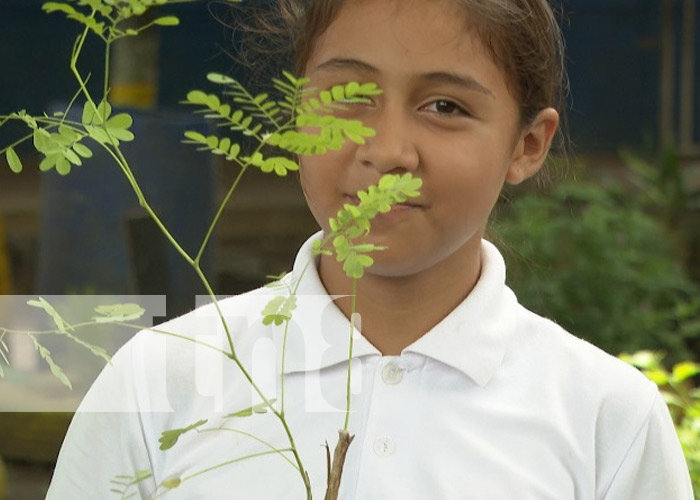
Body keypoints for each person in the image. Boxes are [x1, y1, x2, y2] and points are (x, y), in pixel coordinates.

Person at [46, 0, 693, 499]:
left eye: (445, 105)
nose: (386, 149)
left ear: (528, 144)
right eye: (349, 96)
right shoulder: (162, 378)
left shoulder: (606, 418)